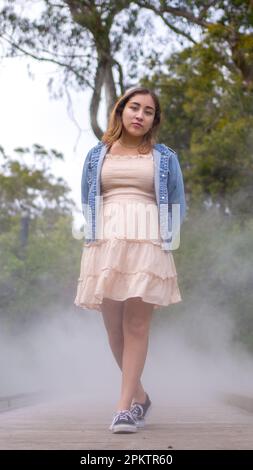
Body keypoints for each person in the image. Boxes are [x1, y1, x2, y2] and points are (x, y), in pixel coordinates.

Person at [74, 86, 186, 433]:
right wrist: (98, 233)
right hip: (106, 240)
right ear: (121, 111)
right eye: (134, 107)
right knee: (113, 328)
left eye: (148, 111)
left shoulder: (164, 157)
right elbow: (86, 197)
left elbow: (178, 202)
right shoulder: (97, 155)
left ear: (154, 120)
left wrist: (167, 241)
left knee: (136, 324)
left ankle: (123, 408)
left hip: (147, 238)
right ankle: (140, 396)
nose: (140, 115)